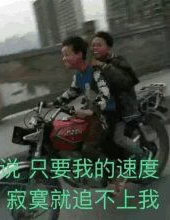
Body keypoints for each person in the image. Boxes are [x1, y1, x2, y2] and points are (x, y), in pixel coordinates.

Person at [90, 31, 150, 196]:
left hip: (124, 110)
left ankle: (141, 154)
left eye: (99, 44)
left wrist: (103, 67)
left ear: (108, 47)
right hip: (108, 111)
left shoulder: (118, 61)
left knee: (118, 138)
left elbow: (126, 81)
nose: (95, 47)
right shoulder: (94, 66)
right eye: (93, 45)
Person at [51, 36, 110, 165]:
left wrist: (90, 111)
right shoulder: (78, 76)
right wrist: (52, 104)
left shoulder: (95, 72)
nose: (64, 58)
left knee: (88, 149)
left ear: (79, 54)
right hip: (90, 115)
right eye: (63, 55)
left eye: (67, 55)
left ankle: (115, 173)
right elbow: (71, 93)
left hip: (105, 115)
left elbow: (105, 94)